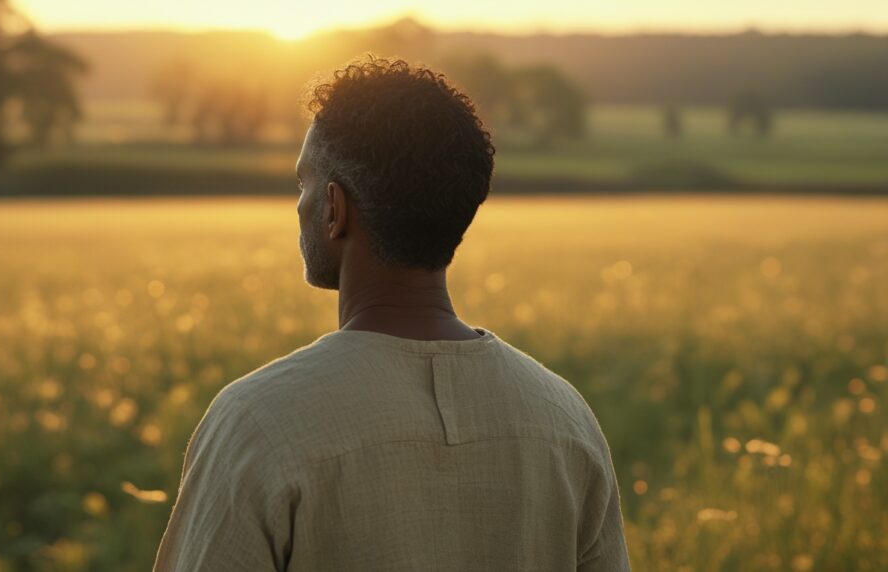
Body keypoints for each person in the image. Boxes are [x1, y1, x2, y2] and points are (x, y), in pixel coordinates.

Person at [153, 55, 630, 571]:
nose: (299, 204)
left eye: (303, 184)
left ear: (335, 209)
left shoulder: (258, 422)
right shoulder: (564, 420)